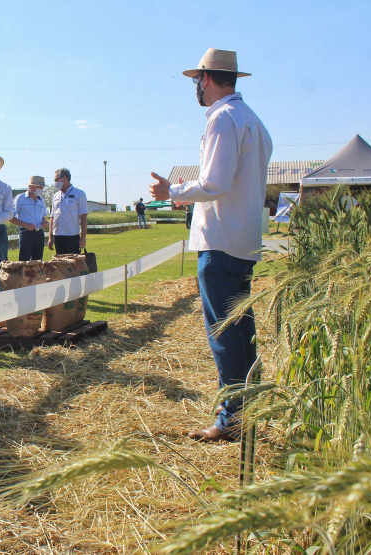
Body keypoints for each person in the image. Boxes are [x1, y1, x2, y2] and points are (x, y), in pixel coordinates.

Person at [150, 48, 272, 442]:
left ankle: (230, 419)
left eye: (196, 80)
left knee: (224, 334)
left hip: (220, 240)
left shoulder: (222, 118)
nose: (195, 88)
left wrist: (173, 191)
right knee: (241, 330)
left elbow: (215, 183)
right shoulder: (252, 120)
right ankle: (248, 409)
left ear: (206, 78)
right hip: (242, 240)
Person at [47, 168, 88, 255]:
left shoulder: (79, 194)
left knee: (72, 262)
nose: (55, 183)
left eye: (56, 180)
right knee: (60, 262)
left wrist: (83, 237)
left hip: (71, 236)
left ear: (64, 179)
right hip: (58, 236)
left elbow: (83, 216)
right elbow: (52, 217)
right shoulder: (56, 196)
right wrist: (50, 238)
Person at [11, 176, 48, 261]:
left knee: (38, 262)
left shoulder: (41, 200)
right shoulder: (20, 198)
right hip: (26, 233)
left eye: (42, 187)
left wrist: (45, 222)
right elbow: (10, 217)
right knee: (24, 262)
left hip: (39, 233)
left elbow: (43, 216)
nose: (41, 189)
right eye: (39, 187)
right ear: (31, 187)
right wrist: (25, 225)